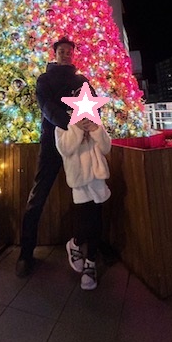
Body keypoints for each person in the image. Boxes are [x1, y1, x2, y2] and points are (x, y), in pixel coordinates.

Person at [15, 36, 92, 277]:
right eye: (62, 51)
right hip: (52, 143)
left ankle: (84, 245)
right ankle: (25, 254)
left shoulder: (81, 80)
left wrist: (87, 124)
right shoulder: (44, 79)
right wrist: (72, 123)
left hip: (79, 145)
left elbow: (93, 106)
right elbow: (47, 107)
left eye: (69, 51)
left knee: (87, 195)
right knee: (38, 196)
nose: (66, 54)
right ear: (55, 53)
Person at [55, 108, 111, 290]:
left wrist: (96, 130)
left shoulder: (94, 121)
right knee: (84, 222)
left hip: (97, 179)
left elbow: (106, 148)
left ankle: (91, 262)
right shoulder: (63, 125)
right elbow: (65, 149)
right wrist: (77, 127)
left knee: (96, 221)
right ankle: (75, 243)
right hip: (79, 181)